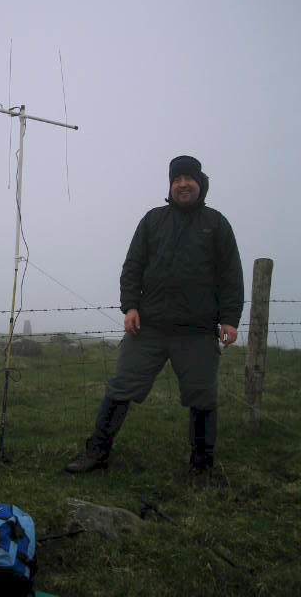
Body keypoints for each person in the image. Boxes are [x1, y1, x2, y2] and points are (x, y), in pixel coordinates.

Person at [66, 155, 244, 482]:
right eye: (177, 179)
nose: (183, 184)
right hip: (148, 326)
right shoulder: (153, 220)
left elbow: (231, 275)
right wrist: (130, 306)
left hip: (197, 330)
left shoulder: (216, 224)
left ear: (200, 183)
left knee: (203, 396)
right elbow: (133, 266)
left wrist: (230, 319)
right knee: (120, 386)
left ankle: (201, 466)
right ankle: (98, 452)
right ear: (170, 185)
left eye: (189, 178)